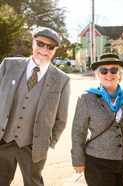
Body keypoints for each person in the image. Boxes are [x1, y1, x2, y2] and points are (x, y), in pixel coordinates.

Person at [0, 27, 70, 186]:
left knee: (34, 183)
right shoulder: (8, 65)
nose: (44, 50)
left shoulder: (62, 79)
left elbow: (61, 119)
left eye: (50, 47)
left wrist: (48, 142)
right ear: (33, 43)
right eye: (40, 44)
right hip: (2, 141)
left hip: (33, 147)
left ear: (55, 50)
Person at [71, 53, 123, 186]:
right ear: (98, 75)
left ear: (120, 74)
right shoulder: (86, 98)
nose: (109, 74)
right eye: (103, 70)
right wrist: (78, 161)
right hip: (97, 162)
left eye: (114, 70)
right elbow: (78, 131)